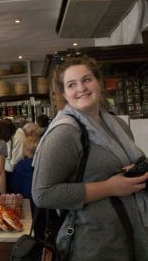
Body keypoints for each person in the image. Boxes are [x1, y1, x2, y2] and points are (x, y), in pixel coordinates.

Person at [32, 56, 148, 260]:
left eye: (87, 79)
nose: (81, 88)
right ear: (64, 94)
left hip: (129, 238)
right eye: (72, 84)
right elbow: (42, 194)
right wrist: (110, 187)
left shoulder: (116, 125)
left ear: (99, 82)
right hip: (92, 245)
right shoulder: (65, 132)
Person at [5, 122, 41, 193]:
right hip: (12, 173)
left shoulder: (17, 133)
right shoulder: (22, 138)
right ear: (31, 132)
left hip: (9, 172)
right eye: (36, 135)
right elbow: (16, 161)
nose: (35, 137)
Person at [10, 136, 40, 200]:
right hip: (39, 197)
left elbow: (15, 184)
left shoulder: (20, 165)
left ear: (26, 149)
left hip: (24, 197)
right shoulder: (43, 164)